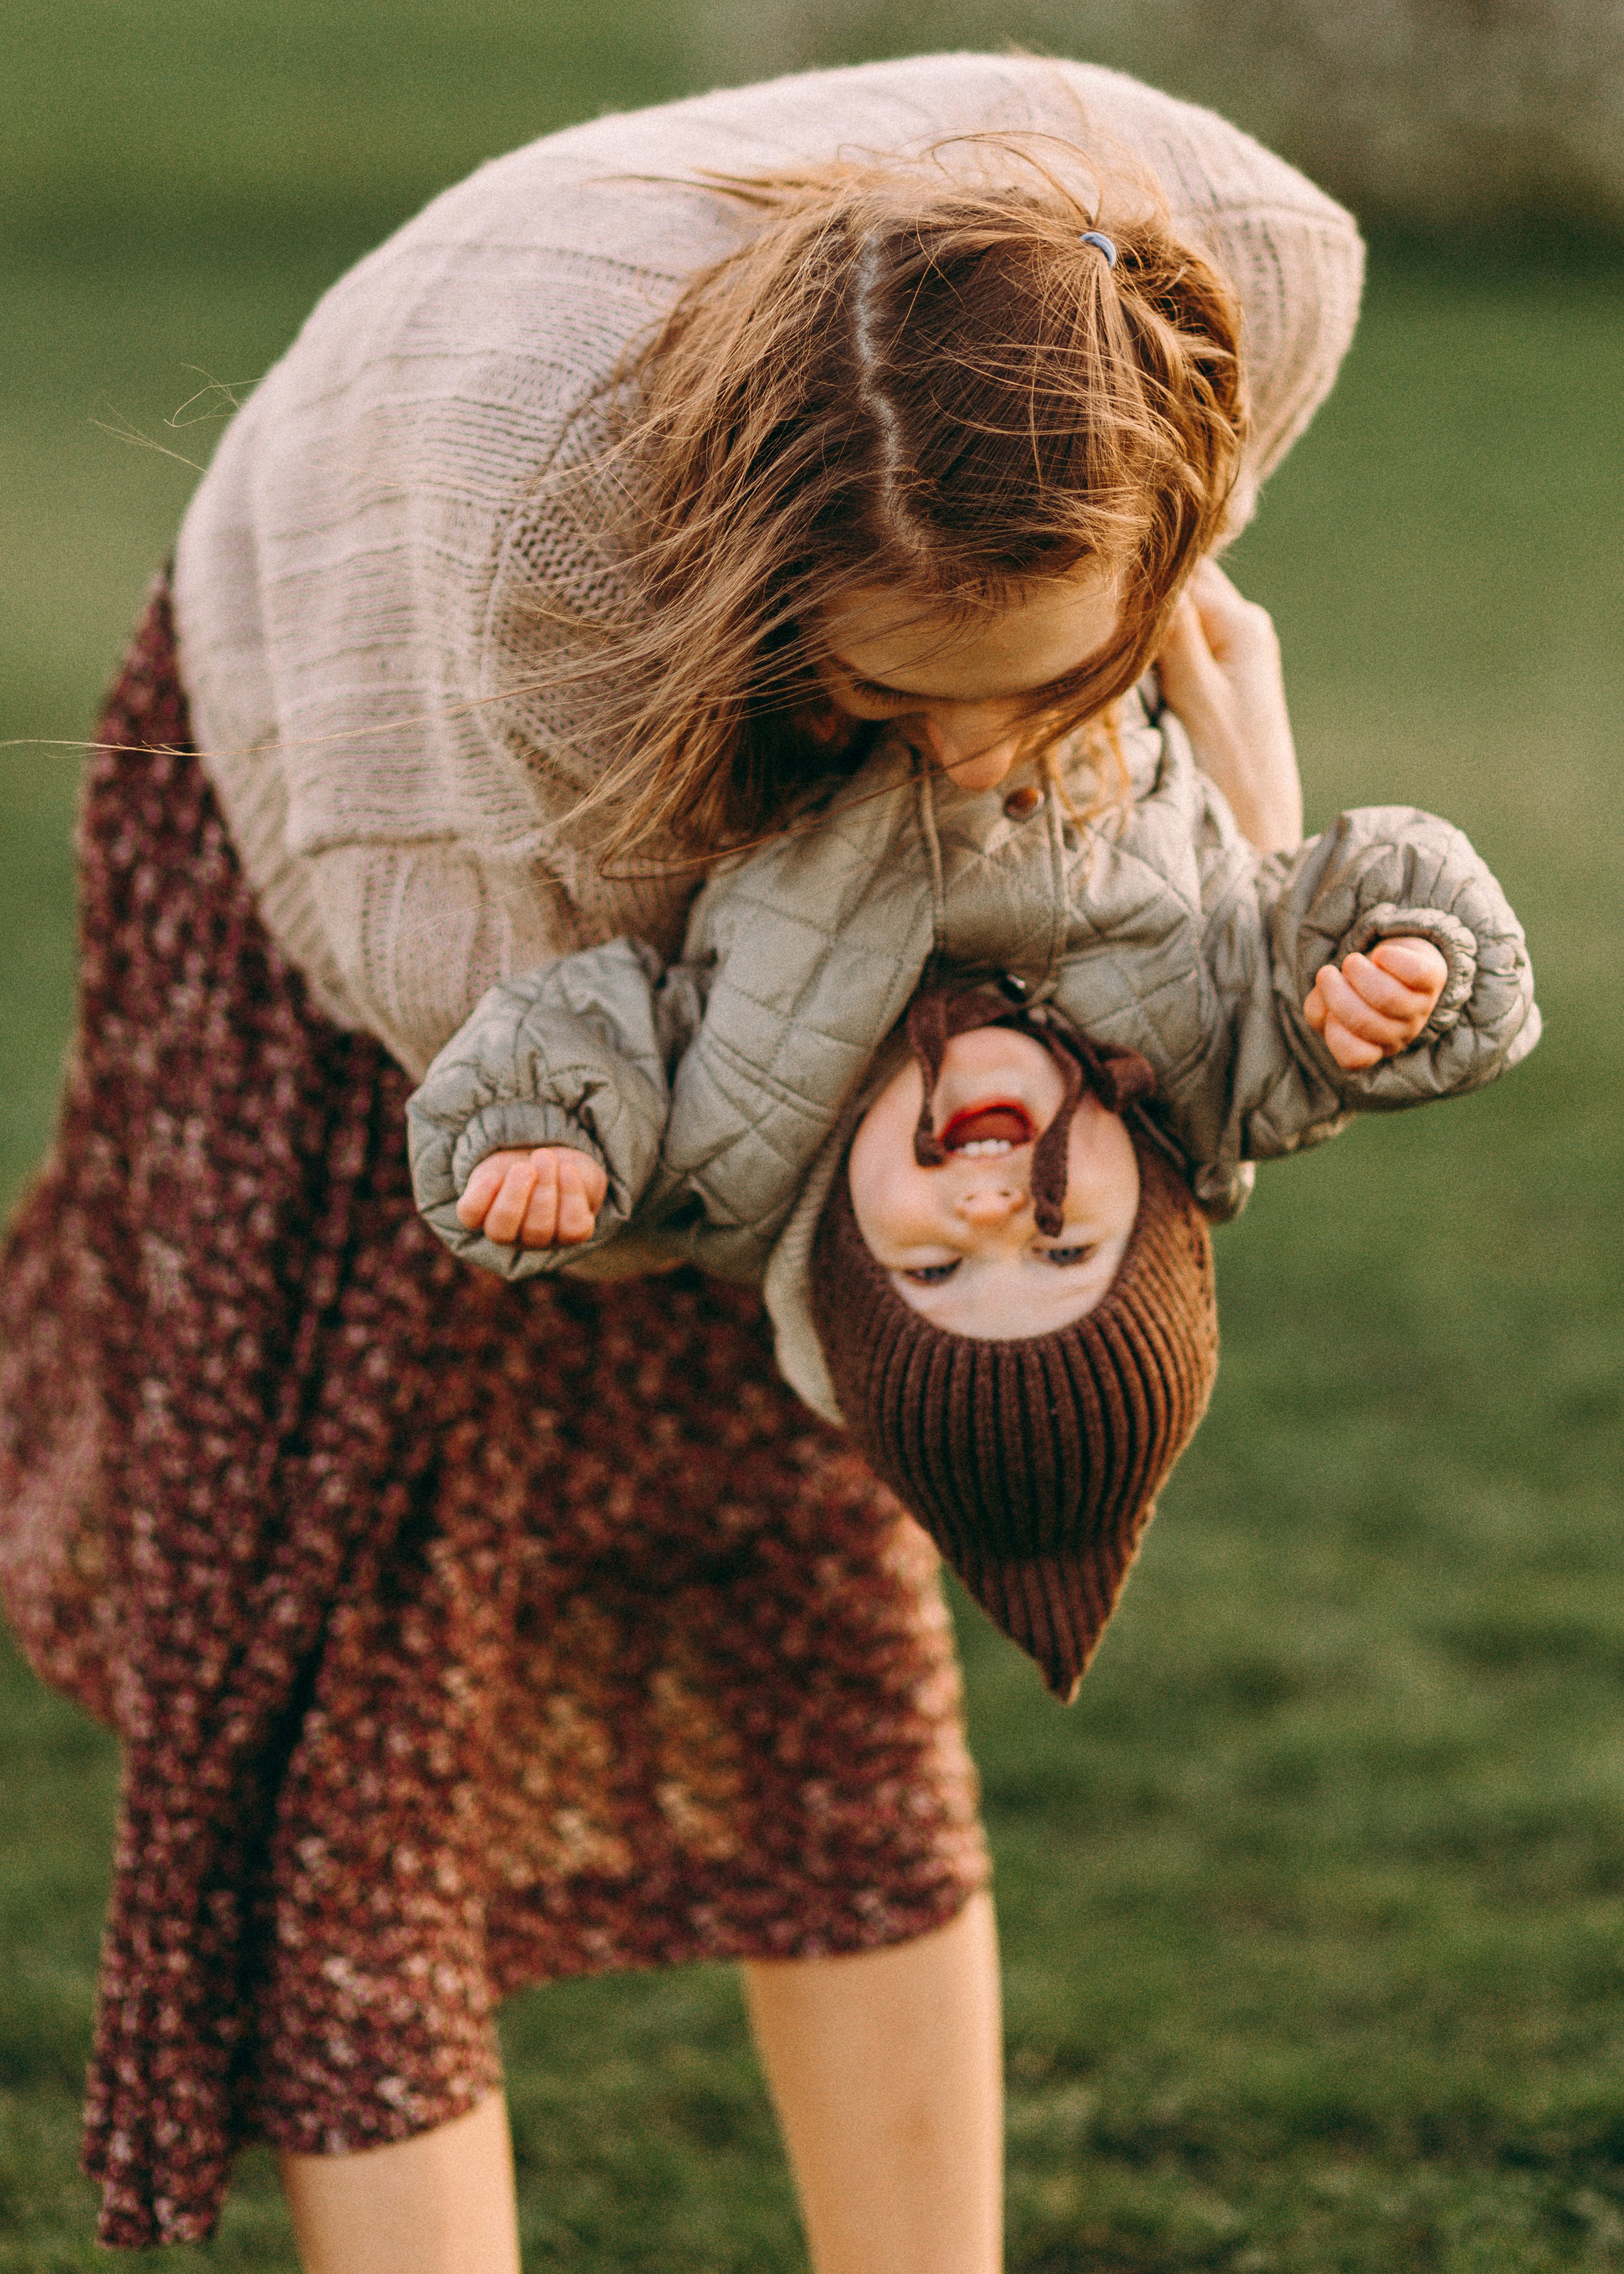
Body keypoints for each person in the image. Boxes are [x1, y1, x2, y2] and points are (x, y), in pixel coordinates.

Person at [0, 49, 1444, 2274]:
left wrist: (1217, 894)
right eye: (899, 704)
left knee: (829, 1570)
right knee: (373, 1672)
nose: (974, 762)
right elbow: (548, 1092)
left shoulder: (1229, 299)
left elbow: (1089, 1086)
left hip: (773, 958)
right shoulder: (531, 632)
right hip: (390, 823)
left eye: (1039, 688)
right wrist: (1249, 887)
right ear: (789, 622)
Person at [406, 589, 1535, 1696]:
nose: (994, 1219)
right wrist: (1404, 975)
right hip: (1064, 624)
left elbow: (588, 1019)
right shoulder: (1219, 1047)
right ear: (1156, 1202)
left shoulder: (729, 1139)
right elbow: (1354, 916)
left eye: (935, 1269)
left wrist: (539, 1135)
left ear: (844, 1261)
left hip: (814, 658)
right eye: (1064, 1253)